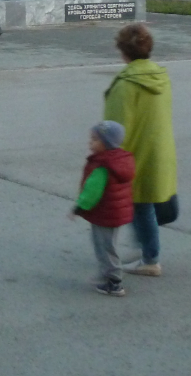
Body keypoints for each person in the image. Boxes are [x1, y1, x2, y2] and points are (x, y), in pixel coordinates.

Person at [104, 23, 176, 277]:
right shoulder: (160, 76)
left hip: (137, 154)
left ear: (123, 52)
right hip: (160, 149)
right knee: (145, 204)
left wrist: (108, 162)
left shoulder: (126, 84)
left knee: (140, 205)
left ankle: (150, 259)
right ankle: (144, 247)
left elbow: (116, 128)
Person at [70, 120, 136, 296]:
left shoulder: (103, 166)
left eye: (94, 139)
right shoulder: (119, 160)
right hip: (115, 212)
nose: (90, 143)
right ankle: (107, 275)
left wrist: (78, 207)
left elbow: (92, 192)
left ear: (107, 143)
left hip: (105, 212)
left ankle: (114, 281)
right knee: (108, 244)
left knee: (104, 247)